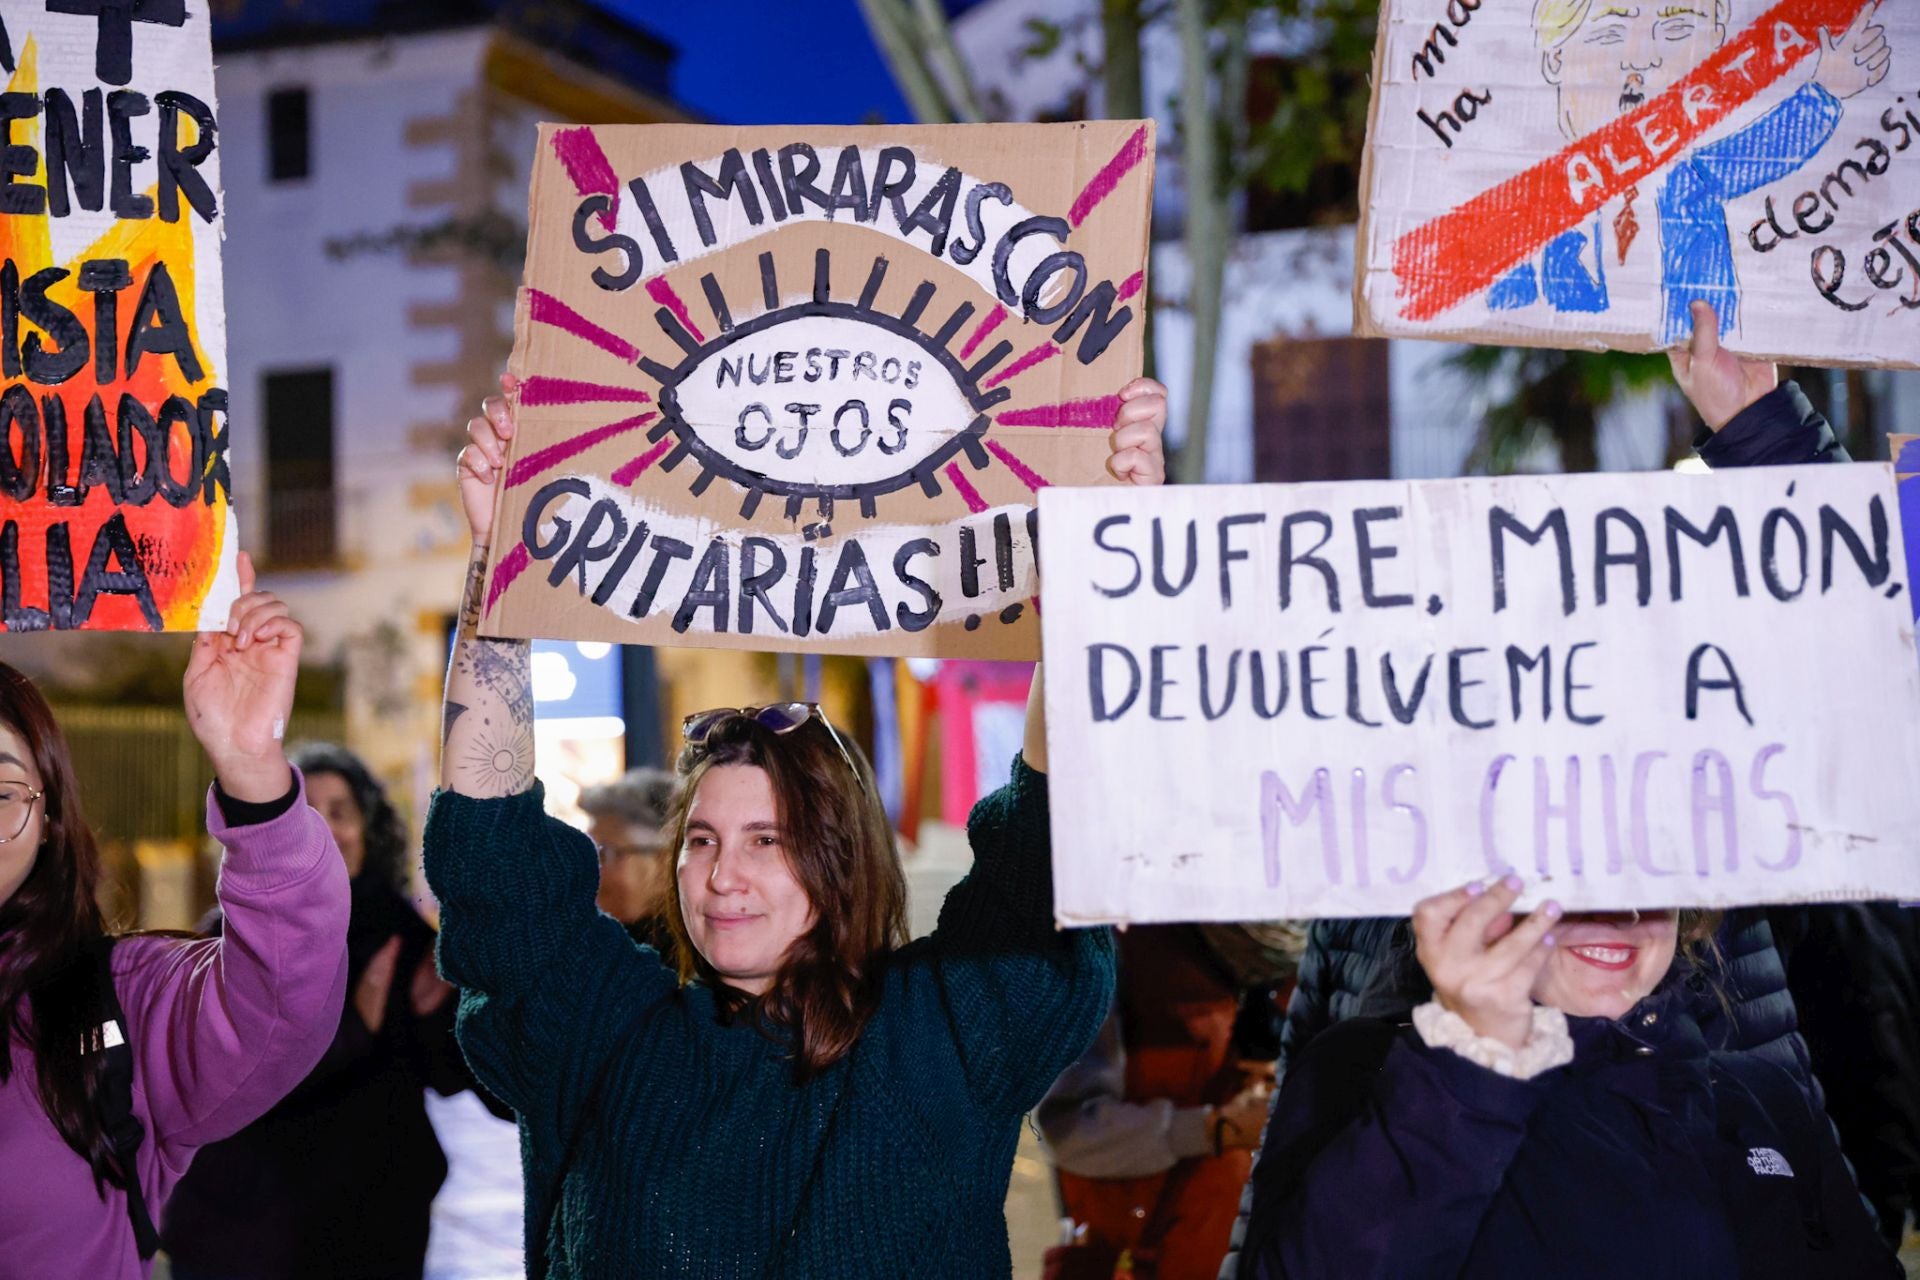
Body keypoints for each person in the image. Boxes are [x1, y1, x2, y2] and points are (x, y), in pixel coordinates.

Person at [425, 373, 1167, 1275]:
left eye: (766, 841)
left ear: (841, 863)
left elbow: (1047, 839)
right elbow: (493, 852)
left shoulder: (945, 1032)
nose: (721, 875)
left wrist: (1101, 560)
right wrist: (495, 563)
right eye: (702, 841)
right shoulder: (606, 1032)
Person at [1215, 303, 1861, 1278]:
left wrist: (1761, 423)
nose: (1617, 890)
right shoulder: (1376, 1015)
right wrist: (1468, 1055)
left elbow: (1856, 671)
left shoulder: (1744, 1084)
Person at [1241, 877, 1900, 1278]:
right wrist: (1473, 1061)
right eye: (1569, 883)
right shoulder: (1367, 1073)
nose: (1619, 914)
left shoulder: (1766, 1103)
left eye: (1650, 876)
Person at [0, 555, 349, 1280]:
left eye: (1, 794)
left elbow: (276, 1003)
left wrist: (253, 773)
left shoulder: (115, 1001)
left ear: (49, 820)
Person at [162, 742, 500, 1280]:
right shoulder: (228, 940)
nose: (322, 829)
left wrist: (461, 1002)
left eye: (340, 813)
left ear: (369, 831)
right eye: (305, 813)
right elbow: (213, 1075)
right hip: (241, 1231)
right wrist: (352, 1029)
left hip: (368, 1228)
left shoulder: (407, 940)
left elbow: (454, 1075)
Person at [1487, 1, 1888, 342]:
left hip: (1703, 354)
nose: (1642, 59)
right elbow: (1500, 296)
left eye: (1677, 29)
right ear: (1556, 56)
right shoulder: (1533, 213)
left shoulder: (1689, 181)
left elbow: (1764, 149)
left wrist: (1825, 92)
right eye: (1609, 33)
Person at [1038, 923, 1303, 1280]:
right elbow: (1069, 1129)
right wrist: (1213, 1127)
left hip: (1243, 1240)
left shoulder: (1301, 944)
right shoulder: (1116, 944)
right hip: (1144, 1247)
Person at [578, 766, 678, 949]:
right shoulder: (599, 946)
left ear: (665, 864)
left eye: (605, 853)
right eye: (589, 851)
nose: (589, 869)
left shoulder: (684, 964)